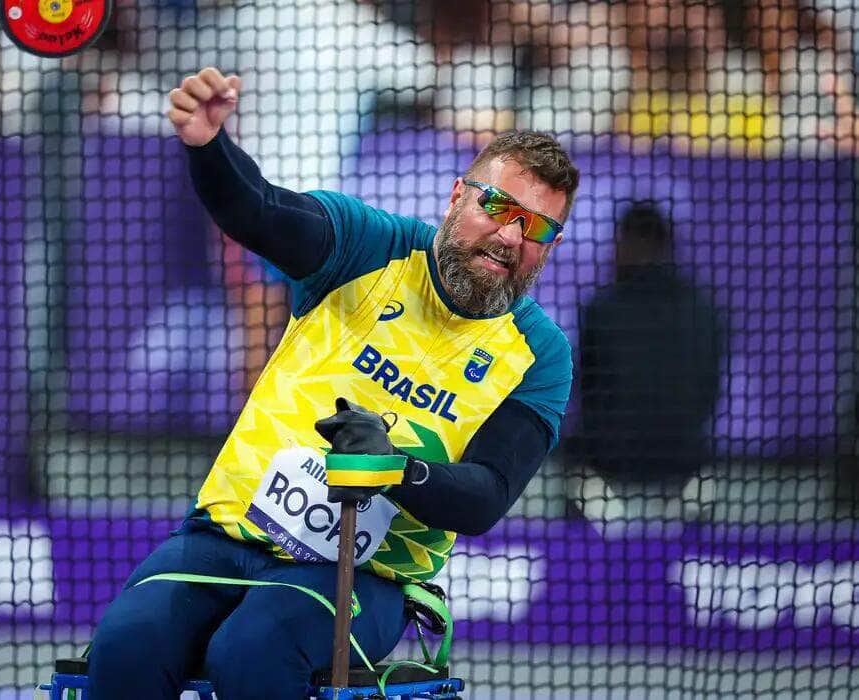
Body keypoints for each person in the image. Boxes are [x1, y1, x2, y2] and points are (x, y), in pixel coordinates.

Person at [85, 67, 578, 699]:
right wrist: (210, 147)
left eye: (537, 227)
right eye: (498, 207)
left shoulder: (540, 353)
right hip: (226, 535)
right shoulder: (367, 247)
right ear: (458, 196)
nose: (511, 235)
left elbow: (485, 495)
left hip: (367, 578)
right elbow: (256, 211)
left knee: (251, 651)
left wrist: (390, 467)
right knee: (128, 646)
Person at [576, 201, 724, 504]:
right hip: (686, 464)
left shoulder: (604, 309)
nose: (614, 252)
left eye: (620, 241)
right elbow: (710, 388)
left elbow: (589, 391)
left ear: (636, 242)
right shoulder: (703, 309)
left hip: (610, 469)